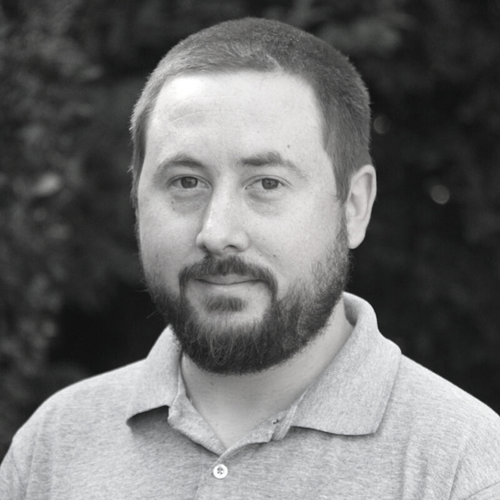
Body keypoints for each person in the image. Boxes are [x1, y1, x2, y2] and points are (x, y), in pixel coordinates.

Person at [1, 17, 499, 500]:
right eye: (186, 182)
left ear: (353, 206)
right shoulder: (52, 448)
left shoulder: (467, 469)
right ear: (136, 200)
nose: (217, 233)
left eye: (267, 183)